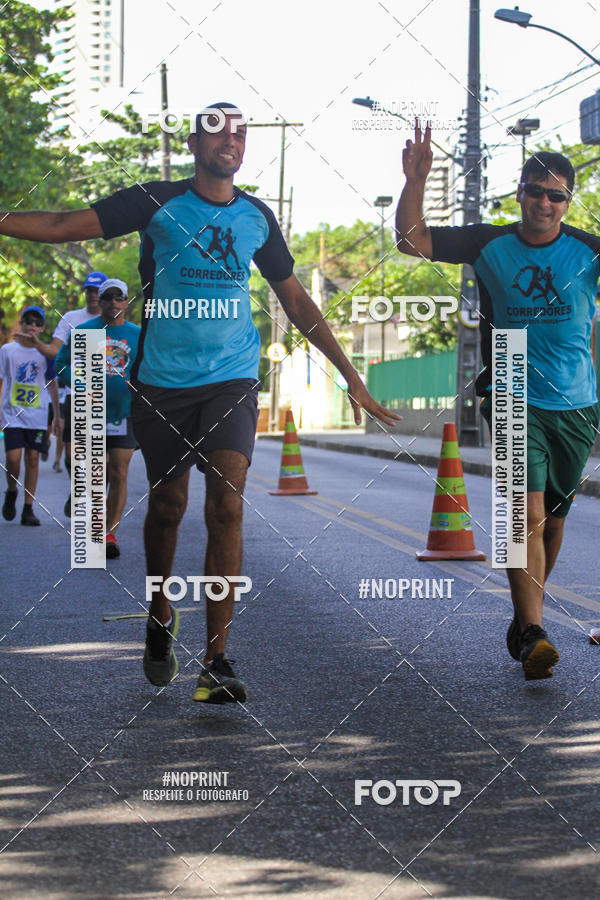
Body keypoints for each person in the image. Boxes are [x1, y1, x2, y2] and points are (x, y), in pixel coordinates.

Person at [0, 101, 398, 704]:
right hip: (161, 382)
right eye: (218, 131)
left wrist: (351, 378)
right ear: (195, 143)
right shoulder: (154, 201)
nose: (231, 141)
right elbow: (60, 225)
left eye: (240, 132)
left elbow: (296, 302)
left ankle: (217, 659)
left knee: (227, 507)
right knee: (167, 508)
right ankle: (160, 612)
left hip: (232, 378)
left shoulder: (256, 218)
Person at [396, 123, 599, 680]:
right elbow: (412, 240)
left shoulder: (589, 251)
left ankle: (523, 619)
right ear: (521, 193)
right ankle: (534, 630)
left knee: (551, 523)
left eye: (556, 194)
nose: (544, 202)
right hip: (509, 386)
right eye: (536, 190)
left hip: (577, 403)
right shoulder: (490, 244)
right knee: (524, 516)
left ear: (567, 203)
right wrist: (415, 180)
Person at [56, 278, 141, 559]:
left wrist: (140, 385)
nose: (114, 303)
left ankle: (109, 533)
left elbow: (151, 367)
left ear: (127, 302)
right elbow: (61, 365)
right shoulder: (86, 331)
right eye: (108, 297)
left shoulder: (137, 334)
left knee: (118, 470)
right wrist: (81, 384)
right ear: (100, 302)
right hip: (90, 412)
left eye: (119, 297)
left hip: (124, 412)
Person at [16, 271, 108, 516]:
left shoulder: (115, 319)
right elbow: (55, 350)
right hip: (76, 393)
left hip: (106, 396)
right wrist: (39, 345)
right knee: (70, 455)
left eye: (97, 291)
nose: (92, 295)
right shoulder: (71, 318)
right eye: (89, 290)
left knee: (105, 458)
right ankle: (78, 488)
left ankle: (90, 501)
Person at [0, 305, 61, 526]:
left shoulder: (45, 353)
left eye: (37, 323)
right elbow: (1, 380)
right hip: (12, 413)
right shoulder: (7, 351)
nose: (32, 326)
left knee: (33, 459)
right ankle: (11, 490)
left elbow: (52, 383)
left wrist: (57, 417)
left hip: (37, 414)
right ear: (21, 324)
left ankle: (28, 508)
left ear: (43, 327)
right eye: (29, 321)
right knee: (13, 459)